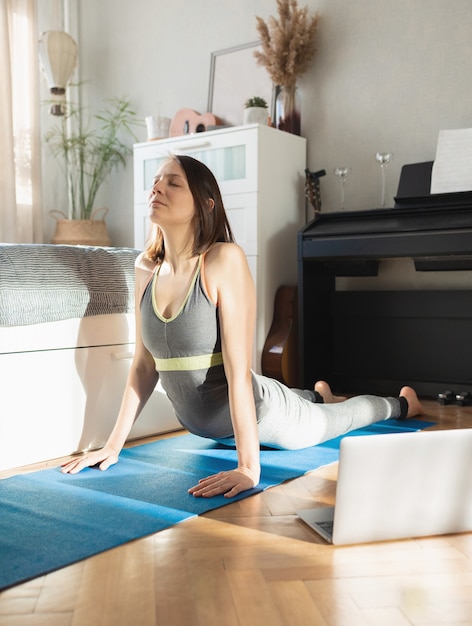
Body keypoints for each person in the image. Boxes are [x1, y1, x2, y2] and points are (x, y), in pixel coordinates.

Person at [61, 155, 423, 497]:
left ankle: (402, 404)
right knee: (316, 405)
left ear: (206, 204)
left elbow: (238, 375)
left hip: (265, 413)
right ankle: (317, 395)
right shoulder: (145, 267)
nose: (157, 189)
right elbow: (143, 366)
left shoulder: (223, 260)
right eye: (155, 182)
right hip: (216, 431)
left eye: (173, 183)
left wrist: (249, 468)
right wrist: (111, 447)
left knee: (339, 420)